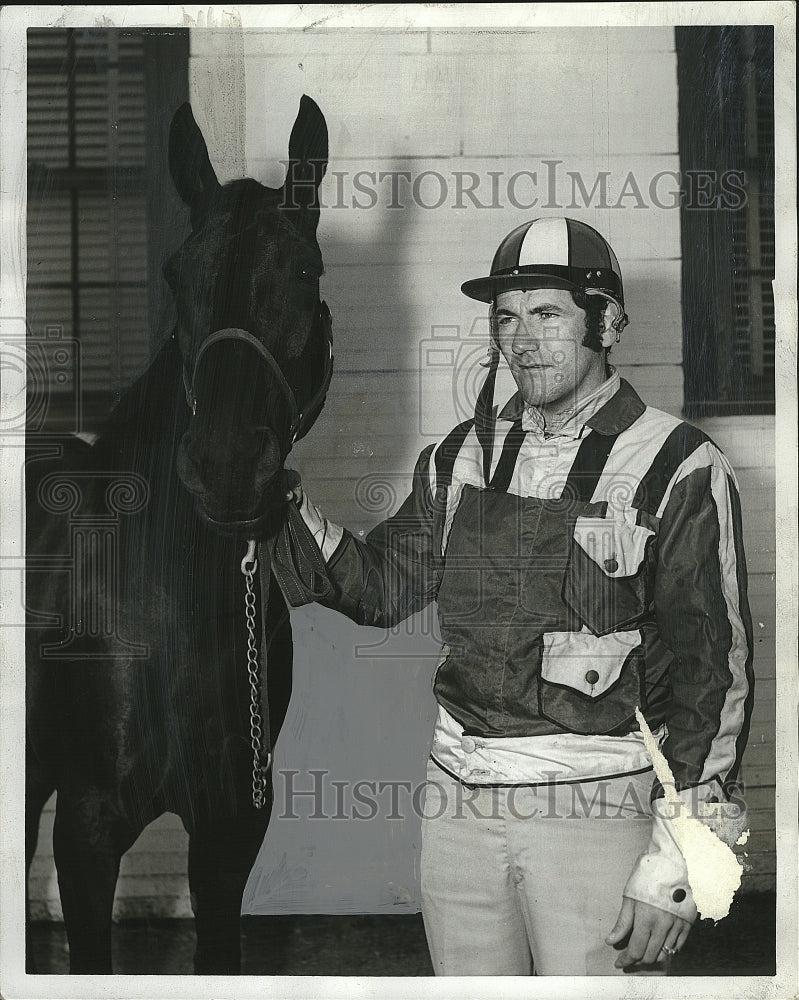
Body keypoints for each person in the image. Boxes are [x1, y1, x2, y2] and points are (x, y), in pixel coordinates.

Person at [280, 217, 754, 976]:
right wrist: (277, 500)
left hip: (597, 810)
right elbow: (376, 589)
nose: (522, 338)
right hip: (457, 808)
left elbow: (714, 676)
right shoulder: (457, 457)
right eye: (505, 317)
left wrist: (680, 863)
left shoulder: (679, 464)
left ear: (606, 322)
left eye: (547, 314)